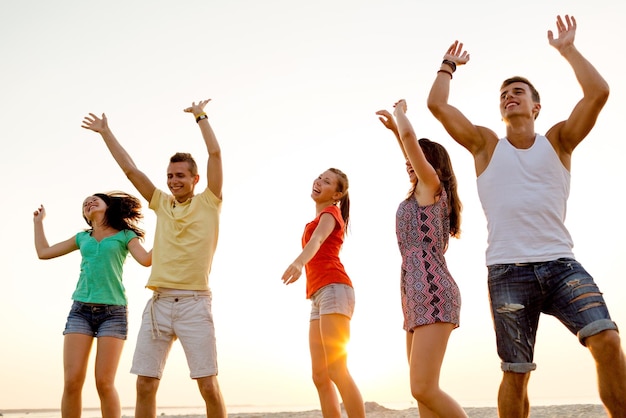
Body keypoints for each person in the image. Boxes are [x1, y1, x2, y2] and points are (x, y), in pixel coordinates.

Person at [427, 14, 626, 417]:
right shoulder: (484, 144)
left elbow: (598, 92)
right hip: (507, 271)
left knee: (606, 339)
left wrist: (568, 50)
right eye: (503, 94)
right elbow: (437, 104)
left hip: (561, 265)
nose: (508, 96)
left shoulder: (558, 140)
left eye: (517, 92)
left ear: (536, 106)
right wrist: (448, 65)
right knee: (516, 373)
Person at [81, 99, 227, 418]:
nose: (174, 181)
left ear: (195, 179)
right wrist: (106, 132)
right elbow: (131, 170)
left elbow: (215, 155)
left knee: (207, 386)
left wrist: (200, 116)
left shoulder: (209, 202)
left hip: (194, 303)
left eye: (180, 176)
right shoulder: (161, 203)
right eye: (170, 176)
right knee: (145, 385)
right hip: (158, 304)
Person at [377, 100, 466, 417]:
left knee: (423, 388)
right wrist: (396, 135)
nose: (409, 162)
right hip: (413, 296)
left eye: (418, 159)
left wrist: (401, 115)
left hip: (433, 291)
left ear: (436, 168)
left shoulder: (432, 188)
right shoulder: (418, 192)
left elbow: (413, 146)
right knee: (423, 395)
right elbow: (410, 152)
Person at [33, 191, 152, 418]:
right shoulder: (82, 238)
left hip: (113, 313)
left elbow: (146, 259)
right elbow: (44, 252)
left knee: (104, 383)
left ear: (108, 205)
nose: (89, 202)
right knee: (72, 381)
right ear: (86, 216)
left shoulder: (125, 235)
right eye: (85, 203)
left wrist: (171, 234)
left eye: (95, 199)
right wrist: (38, 223)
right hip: (80, 312)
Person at [281, 168, 365, 418]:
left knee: (337, 369)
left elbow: (317, 241)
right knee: (320, 375)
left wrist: (298, 262)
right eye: (319, 177)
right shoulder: (317, 218)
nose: (318, 182)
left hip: (335, 289)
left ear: (337, 194)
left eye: (327, 182)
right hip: (318, 295)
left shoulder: (330, 214)